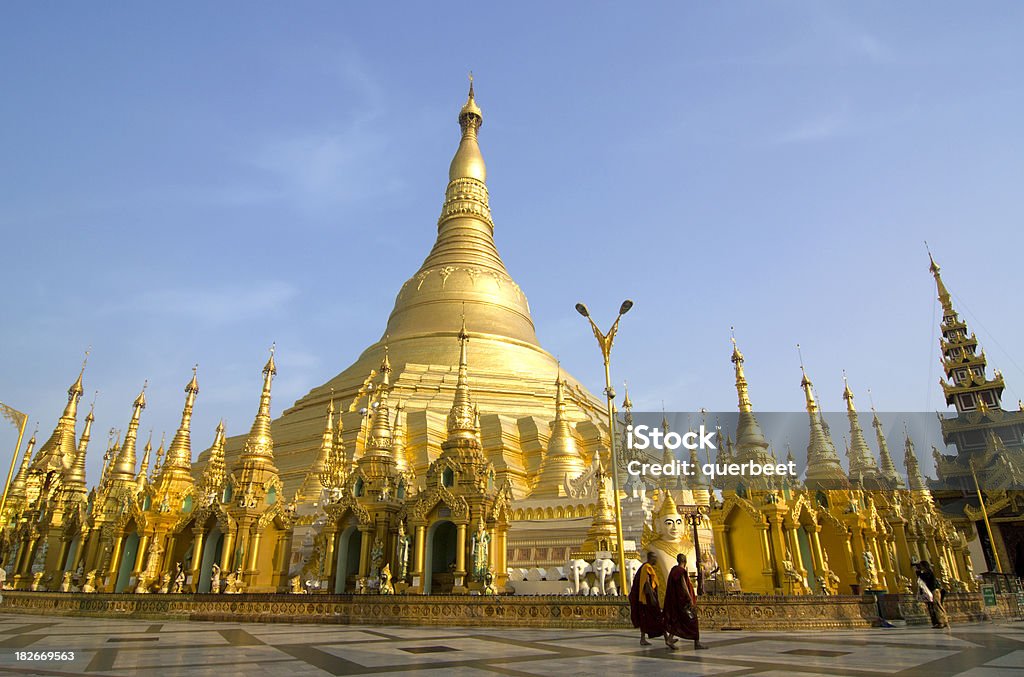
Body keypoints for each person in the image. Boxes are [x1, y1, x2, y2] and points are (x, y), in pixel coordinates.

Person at [629, 551, 676, 649]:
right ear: (650, 558)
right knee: (658, 618)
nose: (657, 560)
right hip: (648, 599)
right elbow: (646, 584)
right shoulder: (646, 567)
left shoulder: (648, 567)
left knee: (645, 619)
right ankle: (667, 639)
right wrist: (652, 597)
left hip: (647, 599)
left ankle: (643, 639)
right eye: (655, 558)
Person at [664, 553, 708, 650]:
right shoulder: (680, 571)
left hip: (677, 601)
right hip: (684, 601)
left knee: (678, 619)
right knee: (693, 620)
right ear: (685, 561)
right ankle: (697, 643)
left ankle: (669, 639)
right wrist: (690, 598)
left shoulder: (674, 570)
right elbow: (683, 585)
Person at [915, 560, 948, 628]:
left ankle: (942, 621)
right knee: (933, 606)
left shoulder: (929, 572)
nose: (920, 567)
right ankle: (938, 622)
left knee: (937, 606)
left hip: (934, 591)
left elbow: (923, 578)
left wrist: (918, 572)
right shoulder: (926, 572)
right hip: (931, 591)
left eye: (921, 566)